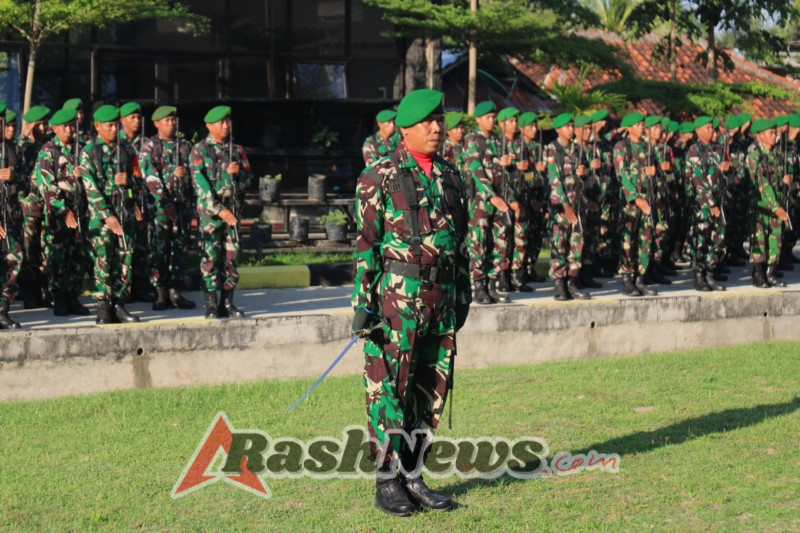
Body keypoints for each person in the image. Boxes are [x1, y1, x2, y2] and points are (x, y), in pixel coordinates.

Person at [351, 88, 470, 516]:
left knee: (430, 389)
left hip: (441, 300)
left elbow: (460, 243)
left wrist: (463, 293)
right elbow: (366, 246)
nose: (436, 128)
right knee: (390, 389)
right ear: (405, 129)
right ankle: (387, 482)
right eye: (427, 122)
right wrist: (362, 305)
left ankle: (414, 476)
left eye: (439, 120)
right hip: (396, 303)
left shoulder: (452, 176)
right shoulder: (378, 176)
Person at [80, 104, 142, 324]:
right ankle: (104, 306)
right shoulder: (89, 152)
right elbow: (90, 187)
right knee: (103, 260)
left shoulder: (127, 149)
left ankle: (119, 304)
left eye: (116, 125)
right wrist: (107, 214)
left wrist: (130, 182)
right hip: (101, 218)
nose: (115, 130)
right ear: (98, 126)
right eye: (110, 126)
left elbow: (140, 179)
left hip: (124, 213)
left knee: (125, 259)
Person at [191, 105, 253, 319]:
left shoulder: (237, 149)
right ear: (209, 126)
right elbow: (200, 185)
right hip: (211, 214)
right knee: (210, 257)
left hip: (233, 211)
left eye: (228, 122)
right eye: (221, 122)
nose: (226, 126)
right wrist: (219, 209)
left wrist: (239, 174)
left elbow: (249, 179)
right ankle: (210, 304)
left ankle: (227, 303)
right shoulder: (199, 150)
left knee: (231, 257)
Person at [138, 105, 196, 311]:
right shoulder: (149, 148)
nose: (171, 123)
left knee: (179, 248)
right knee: (159, 249)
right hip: (160, 209)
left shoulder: (185, 145)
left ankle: (175, 290)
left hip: (182, 207)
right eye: (167, 120)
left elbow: (195, 174)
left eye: (173, 120)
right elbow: (150, 179)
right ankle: (160, 292)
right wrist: (167, 199)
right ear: (157, 123)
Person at [34, 107, 91, 316]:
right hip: (59, 216)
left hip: (81, 213)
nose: (69, 130)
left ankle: (72, 296)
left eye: (71, 126)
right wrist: (64, 211)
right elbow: (47, 187)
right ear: (55, 129)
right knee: (57, 256)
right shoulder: (48, 151)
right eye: (64, 126)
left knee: (78, 255)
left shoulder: (81, 149)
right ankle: (59, 297)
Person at [462, 101, 513, 304]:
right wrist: (491, 195)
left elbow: (507, 172)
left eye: (493, 117)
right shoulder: (471, 139)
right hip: (481, 201)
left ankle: (492, 283)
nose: (492, 121)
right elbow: (477, 169)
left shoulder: (499, 140)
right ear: (478, 119)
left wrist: (508, 165)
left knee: (499, 242)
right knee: (479, 242)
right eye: (488, 118)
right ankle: (479, 285)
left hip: (501, 199)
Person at [545, 112, 590, 300]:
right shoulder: (552, 149)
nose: (571, 129)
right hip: (561, 208)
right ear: (558, 129)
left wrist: (584, 174)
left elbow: (588, 181)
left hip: (578, 205)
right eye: (567, 126)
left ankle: (572, 281)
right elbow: (554, 180)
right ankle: (559, 283)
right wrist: (565, 206)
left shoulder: (578, 150)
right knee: (559, 243)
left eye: (572, 126)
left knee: (576, 244)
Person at [614, 112, 657, 297]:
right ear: (629, 127)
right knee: (628, 241)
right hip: (630, 204)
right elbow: (622, 175)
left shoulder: (648, 148)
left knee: (645, 240)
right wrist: (636, 199)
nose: (642, 127)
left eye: (642, 124)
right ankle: (627, 279)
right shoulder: (621, 147)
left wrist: (654, 173)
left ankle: (640, 278)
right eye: (638, 124)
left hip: (648, 201)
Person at [685, 116, 730, 291]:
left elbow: (724, 177)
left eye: (713, 128)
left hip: (719, 202)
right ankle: (699, 276)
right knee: (700, 240)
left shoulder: (718, 149)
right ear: (698, 131)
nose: (712, 130)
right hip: (703, 204)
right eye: (708, 128)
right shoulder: (694, 150)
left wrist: (727, 169)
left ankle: (710, 273)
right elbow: (699, 180)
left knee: (718, 238)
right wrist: (710, 203)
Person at [747, 118, 791, 288]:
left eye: (775, 132)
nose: (775, 136)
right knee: (759, 240)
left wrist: (787, 181)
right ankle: (758, 274)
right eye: (771, 133)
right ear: (760, 136)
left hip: (776, 205)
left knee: (775, 240)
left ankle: (770, 272)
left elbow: (777, 181)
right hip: (761, 206)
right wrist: (775, 207)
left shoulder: (777, 155)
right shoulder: (755, 157)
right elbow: (762, 184)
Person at [16, 105, 51, 309]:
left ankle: (44, 290)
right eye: (39, 125)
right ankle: (29, 292)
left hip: (46, 205)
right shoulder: (21, 148)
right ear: (30, 125)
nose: (43, 128)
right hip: (27, 207)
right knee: (29, 250)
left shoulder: (47, 146)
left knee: (46, 249)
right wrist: (25, 137)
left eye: (45, 124)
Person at [0, 102, 24, 329]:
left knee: (14, 261)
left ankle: (2, 310)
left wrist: (14, 178)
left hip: (10, 216)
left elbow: (27, 182)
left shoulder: (12, 149)